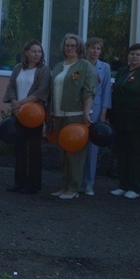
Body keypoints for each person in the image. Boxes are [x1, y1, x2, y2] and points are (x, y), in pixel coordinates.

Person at [48, 34, 96, 201]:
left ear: (79, 48)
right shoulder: (58, 66)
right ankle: (64, 186)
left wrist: (86, 113)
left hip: (76, 116)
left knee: (75, 154)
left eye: (73, 45)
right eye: (67, 45)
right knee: (63, 153)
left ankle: (74, 188)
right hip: (58, 115)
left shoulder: (85, 66)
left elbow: (89, 91)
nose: (69, 48)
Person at [108, 43, 140, 200]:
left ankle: (134, 187)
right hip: (120, 119)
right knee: (122, 153)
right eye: (132, 54)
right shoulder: (122, 71)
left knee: (136, 154)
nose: (134, 57)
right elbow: (114, 93)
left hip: (137, 121)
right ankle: (123, 185)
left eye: (138, 54)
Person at [4, 40, 51, 194]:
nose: (37, 54)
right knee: (19, 149)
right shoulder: (18, 68)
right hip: (18, 114)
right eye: (33, 51)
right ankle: (19, 182)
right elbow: (11, 86)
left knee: (34, 149)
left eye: (39, 51)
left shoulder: (44, 70)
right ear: (26, 52)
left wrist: (20, 103)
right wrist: (14, 103)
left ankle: (33, 185)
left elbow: (41, 92)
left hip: (34, 114)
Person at [82, 37, 112, 195]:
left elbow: (107, 90)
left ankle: (89, 183)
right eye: (92, 48)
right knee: (77, 144)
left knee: (92, 149)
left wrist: (103, 114)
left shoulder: (105, 67)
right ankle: (75, 180)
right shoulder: (79, 64)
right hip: (79, 108)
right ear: (86, 49)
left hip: (96, 108)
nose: (95, 51)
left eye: (98, 48)